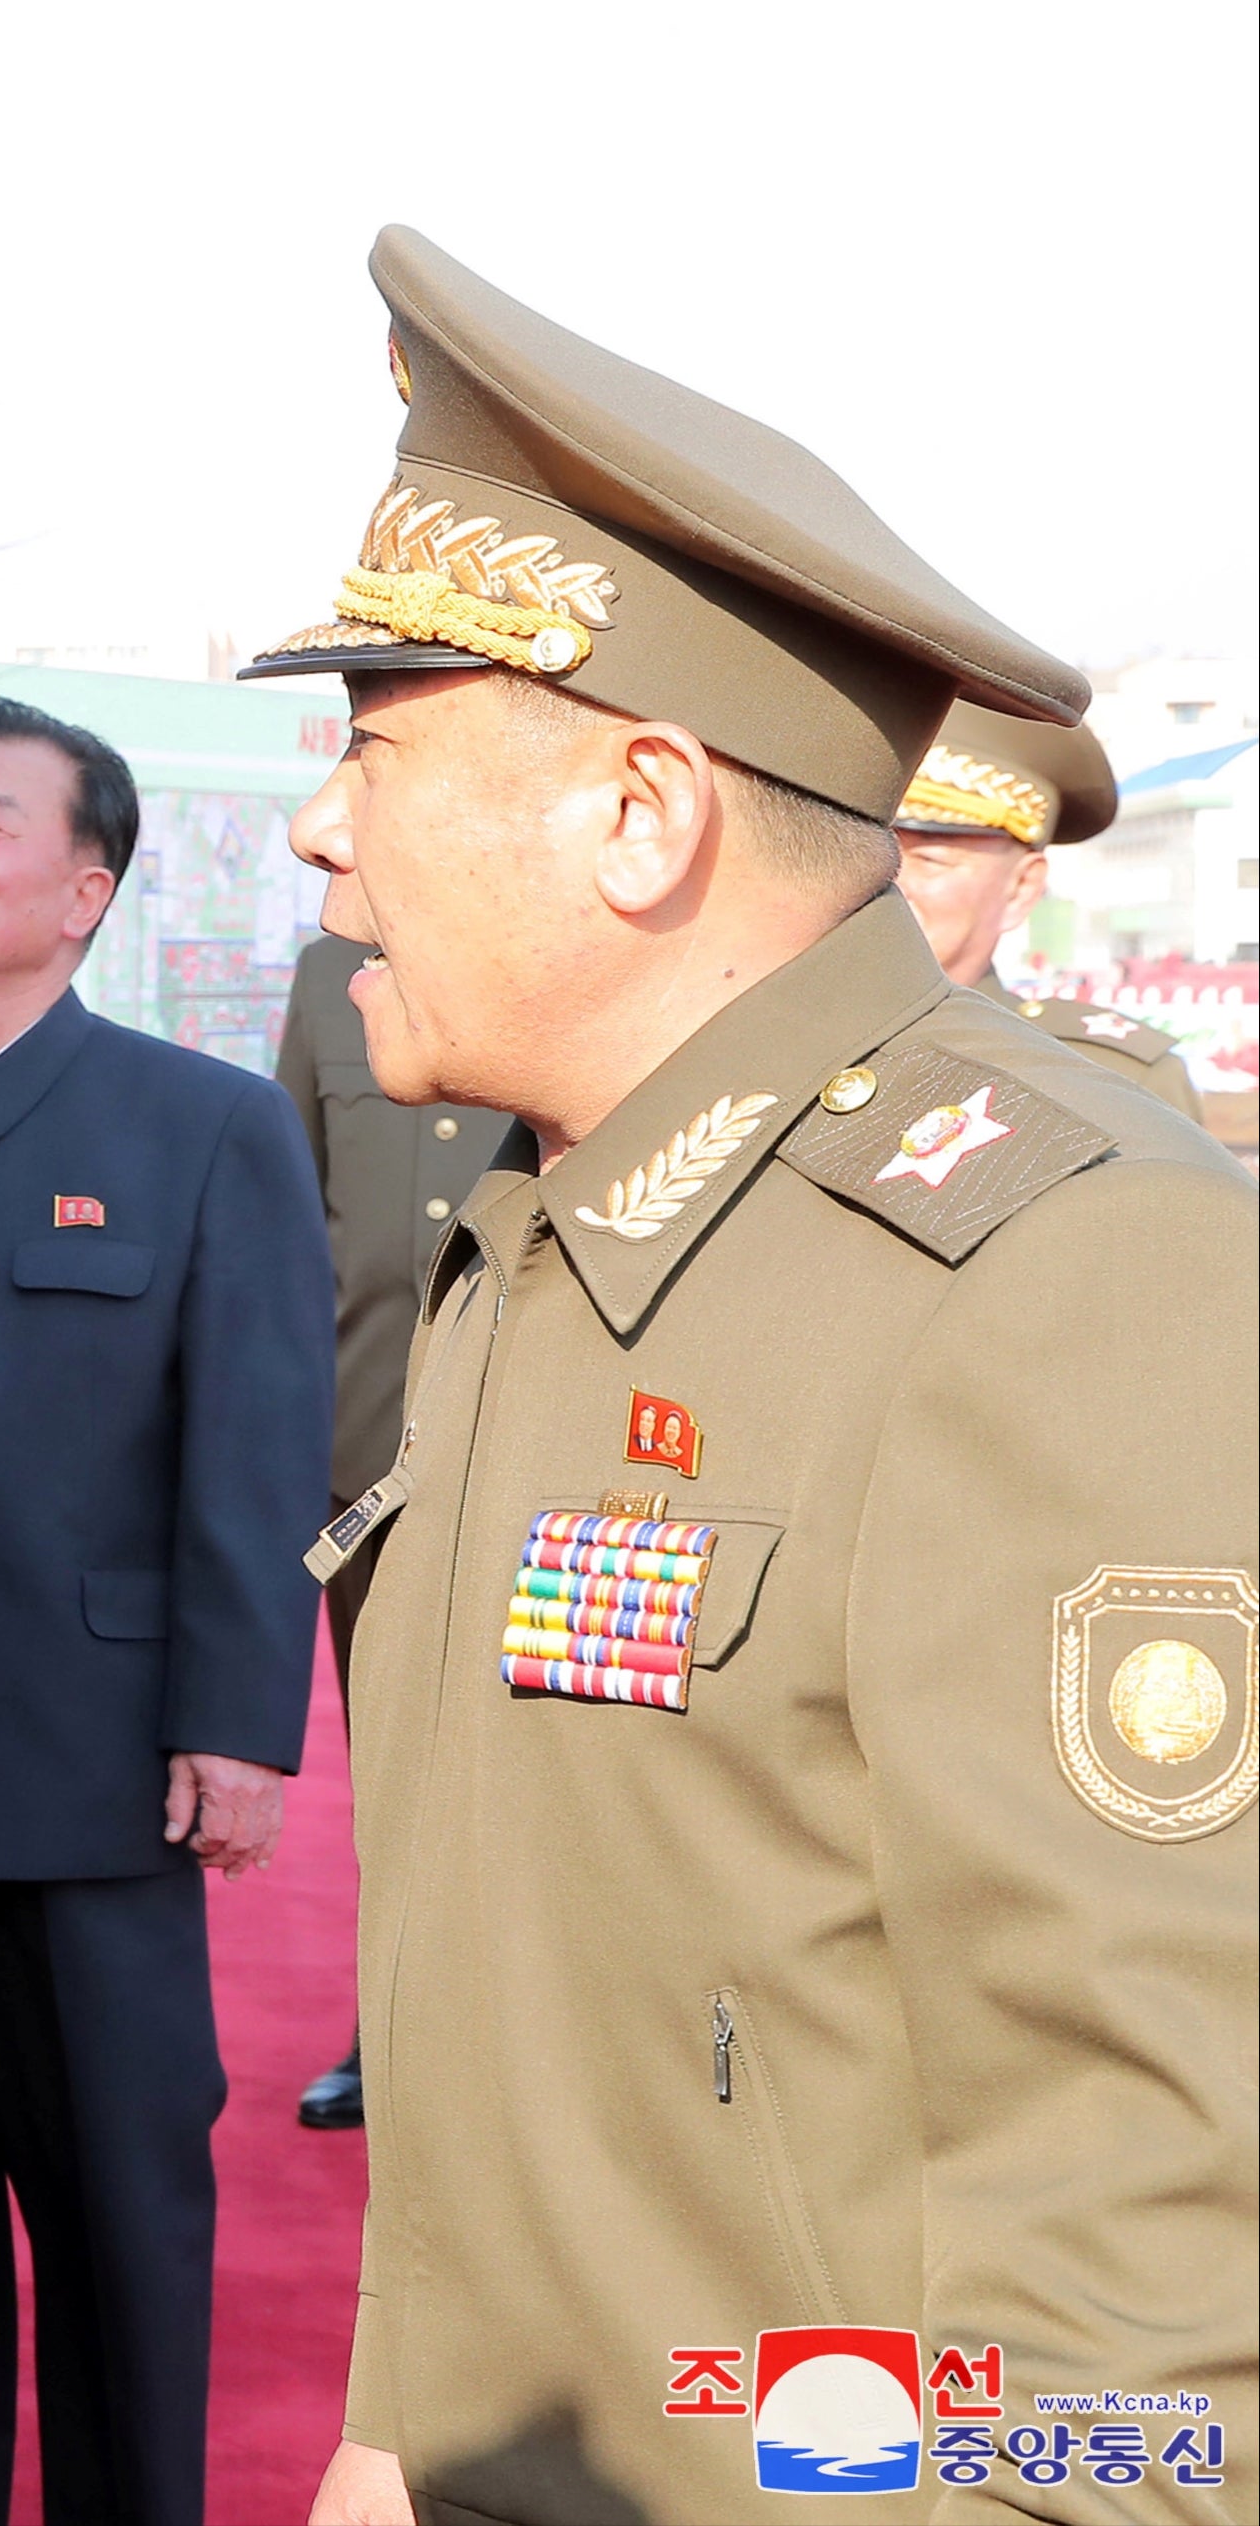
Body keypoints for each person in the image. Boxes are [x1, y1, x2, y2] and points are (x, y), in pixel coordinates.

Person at [240, 229, 1256, 2526]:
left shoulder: (1071, 1279)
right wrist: (400, 2433)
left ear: (641, 814)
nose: (319, 826)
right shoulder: (551, 1237)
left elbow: (1166, 2376)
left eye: (375, 752)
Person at [0, 696, 334, 2526]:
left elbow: (257, 1437)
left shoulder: (196, 1125)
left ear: (83, 889)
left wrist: (236, 1716)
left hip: (84, 1787)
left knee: (125, 2229)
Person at [272, 936, 507, 2132]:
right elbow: (291, 1210)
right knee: (389, 1765)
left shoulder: (555, 928)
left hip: (528, 1435)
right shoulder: (329, 977)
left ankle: (517, 2041)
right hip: (365, 1447)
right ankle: (393, 2031)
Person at [891, 701, 1207, 1118]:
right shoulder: (787, 1036)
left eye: (931, 861)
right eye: (870, 849)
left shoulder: (1109, 1085)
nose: (890, 879)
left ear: (1021, 889)